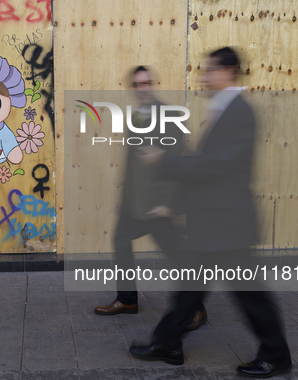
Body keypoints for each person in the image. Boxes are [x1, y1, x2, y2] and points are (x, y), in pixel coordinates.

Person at [133, 47, 292, 378]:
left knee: (250, 296)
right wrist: (173, 204)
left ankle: (275, 355)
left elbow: (214, 167)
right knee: (189, 288)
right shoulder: (224, 109)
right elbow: (209, 170)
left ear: (229, 71)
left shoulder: (239, 112)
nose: (205, 76)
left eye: (211, 70)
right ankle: (167, 344)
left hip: (226, 224)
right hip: (214, 221)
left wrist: (163, 161)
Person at [94, 66, 207, 332]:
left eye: (146, 83)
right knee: (121, 242)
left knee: (178, 256)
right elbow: (134, 163)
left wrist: (169, 203)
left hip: (158, 205)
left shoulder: (168, 116)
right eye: (137, 84)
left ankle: (197, 307)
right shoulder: (137, 116)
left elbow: (179, 160)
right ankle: (127, 300)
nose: (142, 88)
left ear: (152, 85)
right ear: (133, 88)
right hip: (135, 203)